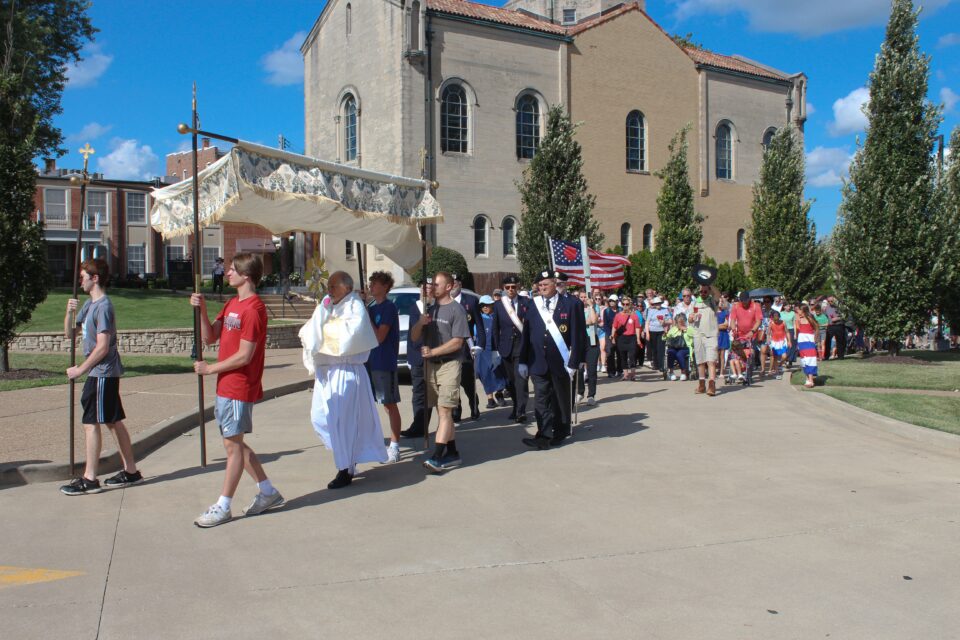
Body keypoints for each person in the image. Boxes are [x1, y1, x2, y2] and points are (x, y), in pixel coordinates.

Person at [190, 253, 283, 527]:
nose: (227, 273)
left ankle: (223, 505)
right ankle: (267, 492)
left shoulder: (253, 310)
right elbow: (209, 337)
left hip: (239, 386)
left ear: (246, 275)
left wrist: (210, 369)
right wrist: (202, 310)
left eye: (232, 269)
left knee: (233, 448)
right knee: (236, 444)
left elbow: (245, 355)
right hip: (226, 385)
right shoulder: (232, 303)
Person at [60, 258, 143, 496]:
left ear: (94, 278)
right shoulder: (88, 305)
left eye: (83, 277)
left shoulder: (104, 306)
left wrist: (80, 369)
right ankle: (131, 472)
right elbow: (69, 334)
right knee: (113, 421)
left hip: (102, 373)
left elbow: (103, 346)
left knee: (91, 423)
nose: (80, 280)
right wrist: (69, 312)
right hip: (101, 373)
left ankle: (90, 478)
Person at [300, 271, 387, 490]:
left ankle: (345, 468)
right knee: (320, 417)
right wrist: (323, 316)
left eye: (333, 286)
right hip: (326, 372)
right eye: (328, 286)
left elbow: (349, 336)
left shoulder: (355, 306)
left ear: (347, 288)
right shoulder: (327, 305)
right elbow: (310, 329)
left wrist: (324, 327)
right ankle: (347, 455)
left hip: (346, 371)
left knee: (343, 422)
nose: (329, 290)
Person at [411, 271, 471, 473]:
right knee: (440, 410)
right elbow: (413, 337)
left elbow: (458, 341)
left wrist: (433, 351)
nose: (432, 287)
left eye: (436, 284)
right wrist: (421, 323)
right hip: (431, 367)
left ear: (448, 287)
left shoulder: (457, 310)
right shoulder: (430, 309)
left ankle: (437, 456)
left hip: (450, 364)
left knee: (445, 410)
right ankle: (452, 452)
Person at [519, 270, 585, 450]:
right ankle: (544, 434)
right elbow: (527, 334)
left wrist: (574, 362)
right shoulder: (534, 305)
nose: (542, 288)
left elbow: (578, 335)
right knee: (541, 400)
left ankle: (560, 432)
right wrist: (523, 360)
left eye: (545, 285)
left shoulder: (572, 304)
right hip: (538, 362)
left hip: (561, 362)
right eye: (540, 286)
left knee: (560, 399)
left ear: (554, 284)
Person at [366, 271, 402, 463]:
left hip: (383, 362)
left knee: (389, 404)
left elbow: (380, 337)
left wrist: (366, 316)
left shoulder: (388, 308)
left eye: (374, 283)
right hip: (369, 362)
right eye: (370, 283)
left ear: (385, 287)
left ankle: (395, 446)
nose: (371, 286)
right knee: (370, 406)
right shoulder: (371, 307)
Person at [491, 275, 529, 423]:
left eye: (513, 287)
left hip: (521, 346)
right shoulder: (500, 305)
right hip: (506, 347)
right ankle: (515, 407)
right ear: (504, 288)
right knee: (511, 382)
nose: (511, 290)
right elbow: (495, 328)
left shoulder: (526, 302)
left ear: (517, 287)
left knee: (521, 380)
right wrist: (496, 348)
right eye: (507, 287)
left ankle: (521, 411)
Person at [401, 279, 433, 439]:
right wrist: (409, 357)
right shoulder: (415, 307)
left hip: (432, 355)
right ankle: (418, 425)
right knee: (418, 393)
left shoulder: (436, 307)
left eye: (429, 287)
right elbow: (410, 335)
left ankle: (421, 425)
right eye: (424, 287)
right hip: (417, 356)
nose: (426, 290)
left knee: (431, 393)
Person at [451, 273, 484, 422]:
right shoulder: (444, 302)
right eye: (450, 282)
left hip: (466, 348)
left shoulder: (470, 301)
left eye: (456, 282)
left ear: (460, 284)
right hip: (449, 349)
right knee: (452, 382)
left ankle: (474, 406)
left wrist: (480, 345)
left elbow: (480, 325)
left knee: (467, 381)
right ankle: (456, 409)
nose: (453, 285)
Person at [475, 295, 507, 408]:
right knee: (485, 374)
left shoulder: (497, 317)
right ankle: (490, 399)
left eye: (487, 305)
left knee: (500, 373)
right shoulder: (478, 319)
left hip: (497, 349)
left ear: (492, 305)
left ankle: (499, 394)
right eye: (483, 305)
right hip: (483, 351)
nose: (485, 307)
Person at [690, 284, 720, 395]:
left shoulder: (712, 301)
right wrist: (691, 318)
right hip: (698, 335)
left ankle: (712, 386)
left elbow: (717, 295)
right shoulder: (695, 302)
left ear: (709, 291)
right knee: (700, 362)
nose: (703, 293)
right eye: (701, 292)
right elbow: (689, 318)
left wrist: (710, 284)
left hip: (711, 335)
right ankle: (701, 385)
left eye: (705, 292)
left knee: (711, 361)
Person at [577, 290, 600, 404]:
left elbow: (594, 320)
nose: (583, 299)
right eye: (581, 297)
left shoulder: (595, 308)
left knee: (591, 370)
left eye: (585, 297)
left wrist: (591, 307)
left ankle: (591, 395)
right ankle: (580, 392)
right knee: (579, 369)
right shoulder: (576, 309)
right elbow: (580, 323)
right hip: (580, 340)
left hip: (592, 339)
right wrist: (587, 321)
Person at [611, 296, 642, 381]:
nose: (625, 306)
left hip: (631, 338)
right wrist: (612, 336)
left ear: (630, 305)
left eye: (627, 304)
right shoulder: (618, 315)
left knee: (632, 356)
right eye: (623, 304)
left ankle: (633, 374)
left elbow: (637, 328)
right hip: (621, 338)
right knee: (622, 356)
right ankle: (625, 374)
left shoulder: (634, 316)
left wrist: (638, 339)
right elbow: (614, 327)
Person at [644, 297, 671, 378]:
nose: (658, 305)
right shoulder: (651, 311)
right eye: (656, 304)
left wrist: (665, 322)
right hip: (652, 331)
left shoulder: (665, 310)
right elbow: (647, 322)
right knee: (654, 349)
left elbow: (670, 321)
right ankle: (656, 364)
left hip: (661, 331)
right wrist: (647, 333)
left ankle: (661, 366)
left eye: (659, 303)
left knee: (661, 349)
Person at [796, 304, 820, 388]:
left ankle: (811, 380)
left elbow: (817, 327)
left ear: (803, 311)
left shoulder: (809, 318)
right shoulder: (799, 319)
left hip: (809, 340)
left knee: (810, 359)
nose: (797, 312)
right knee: (804, 359)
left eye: (798, 310)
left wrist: (816, 339)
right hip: (802, 341)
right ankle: (807, 378)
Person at [665, 313, 694, 381]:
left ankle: (683, 372)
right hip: (674, 347)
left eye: (682, 321)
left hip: (685, 347)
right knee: (670, 352)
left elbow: (693, 335)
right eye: (678, 322)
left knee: (679, 354)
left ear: (685, 321)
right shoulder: (673, 329)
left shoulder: (689, 328)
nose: (680, 323)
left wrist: (685, 329)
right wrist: (665, 334)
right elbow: (666, 338)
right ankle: (671, 372)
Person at [766, 310, 792, 378]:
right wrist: (768, 341)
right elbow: (768, 333)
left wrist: (789, 341)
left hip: (782, 341)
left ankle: (779, 365)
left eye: (777, 319)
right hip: (774, 342)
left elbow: (787, 332)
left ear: (779, 317)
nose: (776, 321)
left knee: (784, 356)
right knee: (775, 357)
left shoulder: (783, 322)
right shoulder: (771, 323)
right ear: (772, 318)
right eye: (775, 319)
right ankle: (776, 371)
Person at [602, 295, 622, 378]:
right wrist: (611, 334)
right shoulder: (606, 311)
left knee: (620, 352)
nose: (611, 302)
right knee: (610, 352)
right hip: (609, 334)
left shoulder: (621, 310)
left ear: (617, 301)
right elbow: (605, 324)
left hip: (620, 334)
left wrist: (618, 333)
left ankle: (620, 370)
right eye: (610, 301)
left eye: (613, 301)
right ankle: (611, 371)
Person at [592, 290, 608, 373]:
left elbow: (607, 319)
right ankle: (597, 364)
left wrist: (603, 323)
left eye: (599, 299)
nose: (598, 300)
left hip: (602, 330)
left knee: (602, 348)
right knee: (595, 348)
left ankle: (603, 365)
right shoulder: (591, 308)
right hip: (594, 330)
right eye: (596, 299)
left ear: (602, 299)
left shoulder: (605, 308)